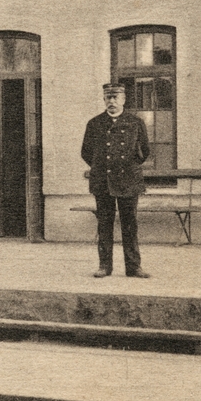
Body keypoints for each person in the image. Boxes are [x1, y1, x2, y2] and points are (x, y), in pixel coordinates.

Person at [80, 82, 151, 278]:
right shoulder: (94, 123)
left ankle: (134, 267)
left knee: (130, 225)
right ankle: (104, 266)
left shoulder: (135, 122)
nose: (112, 101)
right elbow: (86, 152)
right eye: (108, 98)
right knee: (104, 224)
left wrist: (128, 167)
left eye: (115, 97)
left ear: (123, 99)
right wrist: (103, 167)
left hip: (128, 180)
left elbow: (145, 151)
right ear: (104, 99)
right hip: (103, 181)